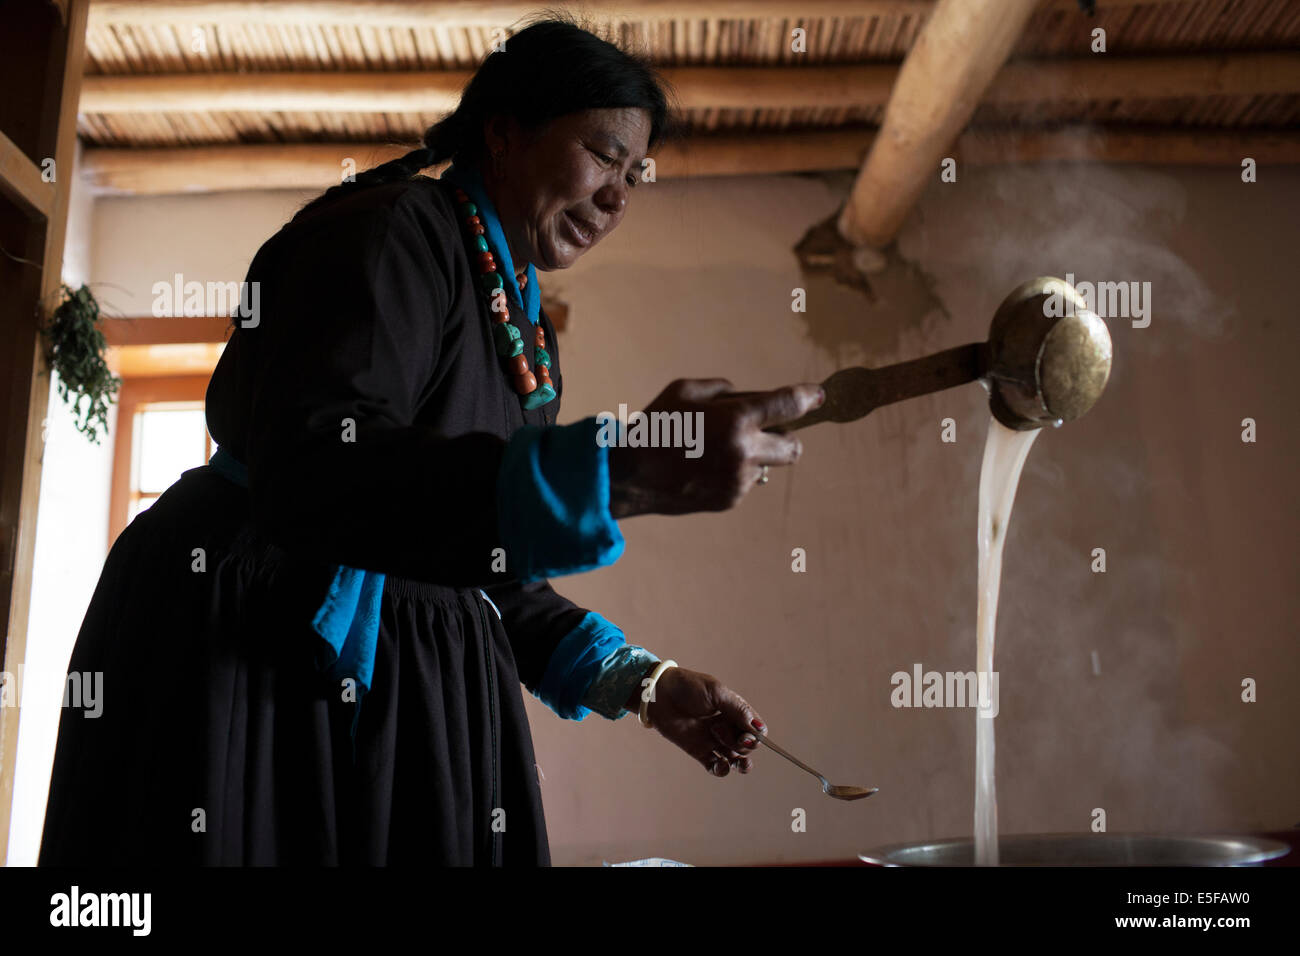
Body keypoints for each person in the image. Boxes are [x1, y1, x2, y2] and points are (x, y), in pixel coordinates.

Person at [38, 16, 823, 866]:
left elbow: (492, 566)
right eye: (601, 154)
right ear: (505, 133)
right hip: (254, 640)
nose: (618, 195)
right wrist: (620, 470)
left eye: (636, 174)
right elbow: (320, 473)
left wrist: (647, 684)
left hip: (417, 688)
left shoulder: (523, 322)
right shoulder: (389, 232)